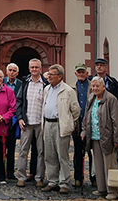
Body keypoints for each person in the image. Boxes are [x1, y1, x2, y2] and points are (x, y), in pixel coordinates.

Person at [81, 76, 118, 200]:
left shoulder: (111, 99)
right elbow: (86, 116)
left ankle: (113, 191)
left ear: (103, 87)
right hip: (94, 136)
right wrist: (84, 131)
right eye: (93, 86)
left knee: (110, 165)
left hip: (107, 137)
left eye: (97, 86)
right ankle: (101, 188)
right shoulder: (91, 98)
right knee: (98, 164)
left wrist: (117, 138)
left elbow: (116, 121)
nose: (94, 88)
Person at [41, 64, 80, 194]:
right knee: (49, 155)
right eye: (48, 74)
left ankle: (64, 183)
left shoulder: (68, 90)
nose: (48, 76)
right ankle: (53, 181)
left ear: (59, 76)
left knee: (62, 155)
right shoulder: (47, 89)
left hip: (60, 125)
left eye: (51, 74)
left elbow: (75, 110)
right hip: (47, 124)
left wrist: (68, 122)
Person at [15, 58, 48, 188]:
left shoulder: (45, 84)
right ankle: (21, 177)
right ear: (29, 69)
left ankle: (39, 177)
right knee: (23, 151)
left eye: (36, 67)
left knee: (41, 152)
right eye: (32, 67)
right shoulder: (25, 83)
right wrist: (20, 118)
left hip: (40, 123)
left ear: (41, 69)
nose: (34, 69)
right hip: (26, 122)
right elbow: (19, 101)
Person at [72, 63, 95, 187]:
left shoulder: (93, 86)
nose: (81, 74)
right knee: (78, 152)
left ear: (87, 73)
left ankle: (94, 177)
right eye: (78, 72)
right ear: (75, 73)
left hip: (91, 125)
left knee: (92, 152)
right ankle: (78, 178)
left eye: (83, 72)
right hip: (77, 125)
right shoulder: (71, 88)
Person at [2, 63, 22, 180]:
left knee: (11, 147)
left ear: (17, 73)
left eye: (14, 70)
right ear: (6, 71)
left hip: (13, 120)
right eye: (10, 70)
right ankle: (0, 170)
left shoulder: (20, 84)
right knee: (0, 147)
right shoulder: (1, 81)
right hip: (1, 118)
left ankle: (10, 171)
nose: (12, 72)